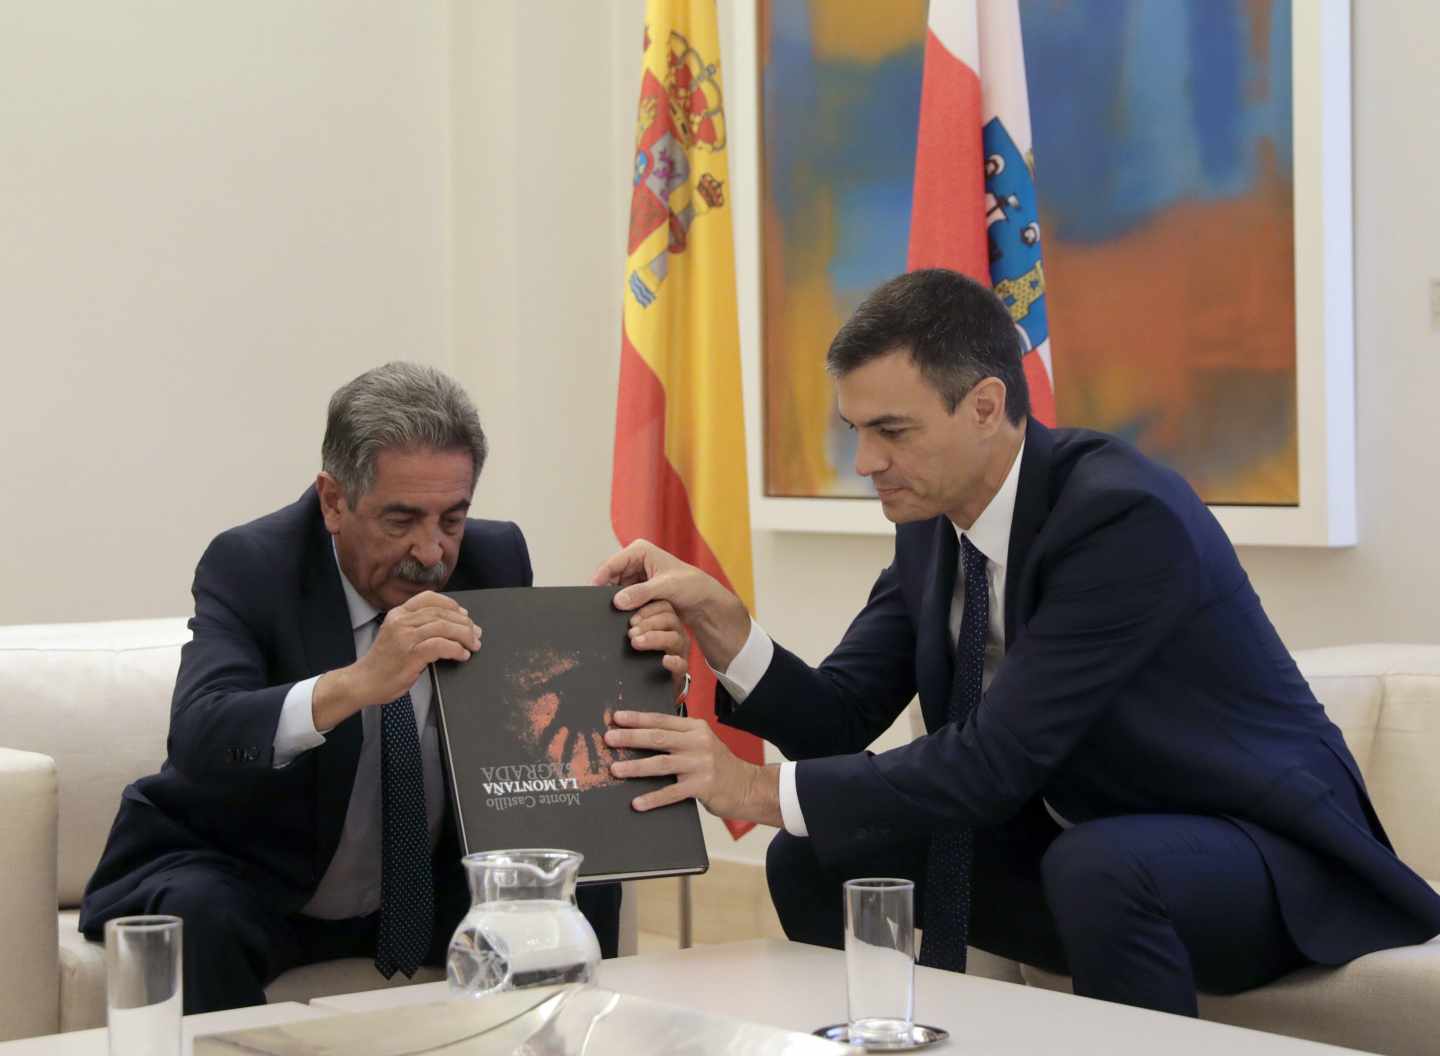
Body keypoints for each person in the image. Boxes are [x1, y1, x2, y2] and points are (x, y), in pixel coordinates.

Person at [595, 269, 1440, 1017]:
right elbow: (839, 719)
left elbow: (993, 760)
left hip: (1259, 860)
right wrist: (724, 625)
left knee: (1102, 867)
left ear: (987, 406)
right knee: (813, 855)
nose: (864, 462)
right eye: (855, 429)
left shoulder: (1120, 516)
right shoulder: (933, 522)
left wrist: (753, 784)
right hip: (1091, 845)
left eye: (892, 431)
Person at [80, 362, 687, 1013]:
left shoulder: (494, 557)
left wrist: (641, 684)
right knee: (199, 912)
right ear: (333, 501)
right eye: (402, 520)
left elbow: (535, 738)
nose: (431, 553)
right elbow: (205, 738)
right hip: (260, 876)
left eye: (451, 518)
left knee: (573, 874)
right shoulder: (254, 565)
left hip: (425, 888)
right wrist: (358, 683)